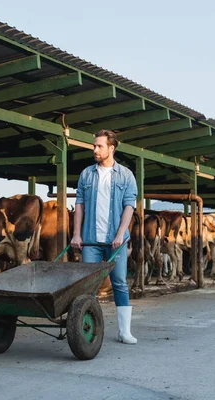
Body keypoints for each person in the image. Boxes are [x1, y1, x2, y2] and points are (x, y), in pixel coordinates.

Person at [70, 129, 138, 344]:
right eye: (94, 146)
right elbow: (79, 205)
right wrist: (76, 234)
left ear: (111, 148)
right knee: (88, 285)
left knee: (119, 282)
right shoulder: (87, 174)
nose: (95, 150)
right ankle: (86, 329)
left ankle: (124, 331)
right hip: (90, 239)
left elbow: (129, 207)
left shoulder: (125, 175)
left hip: (116, 241)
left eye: (99, 146)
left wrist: (120, 235)